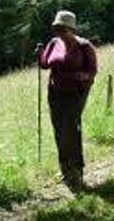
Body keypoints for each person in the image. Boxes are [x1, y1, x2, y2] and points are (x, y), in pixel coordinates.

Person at [39, 10, 97, 190]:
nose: (59, 33)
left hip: (75, 94)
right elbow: (45, 64)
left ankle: (77, 172)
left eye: (63, 29)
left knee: (71, 131)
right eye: (57, 29)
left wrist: (78, 77)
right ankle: (65, 170)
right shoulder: (54, 43)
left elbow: (92, 72)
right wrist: (40, 53)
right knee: (59, 131)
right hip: (55, 92)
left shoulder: (84, 46)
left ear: (72, 29)